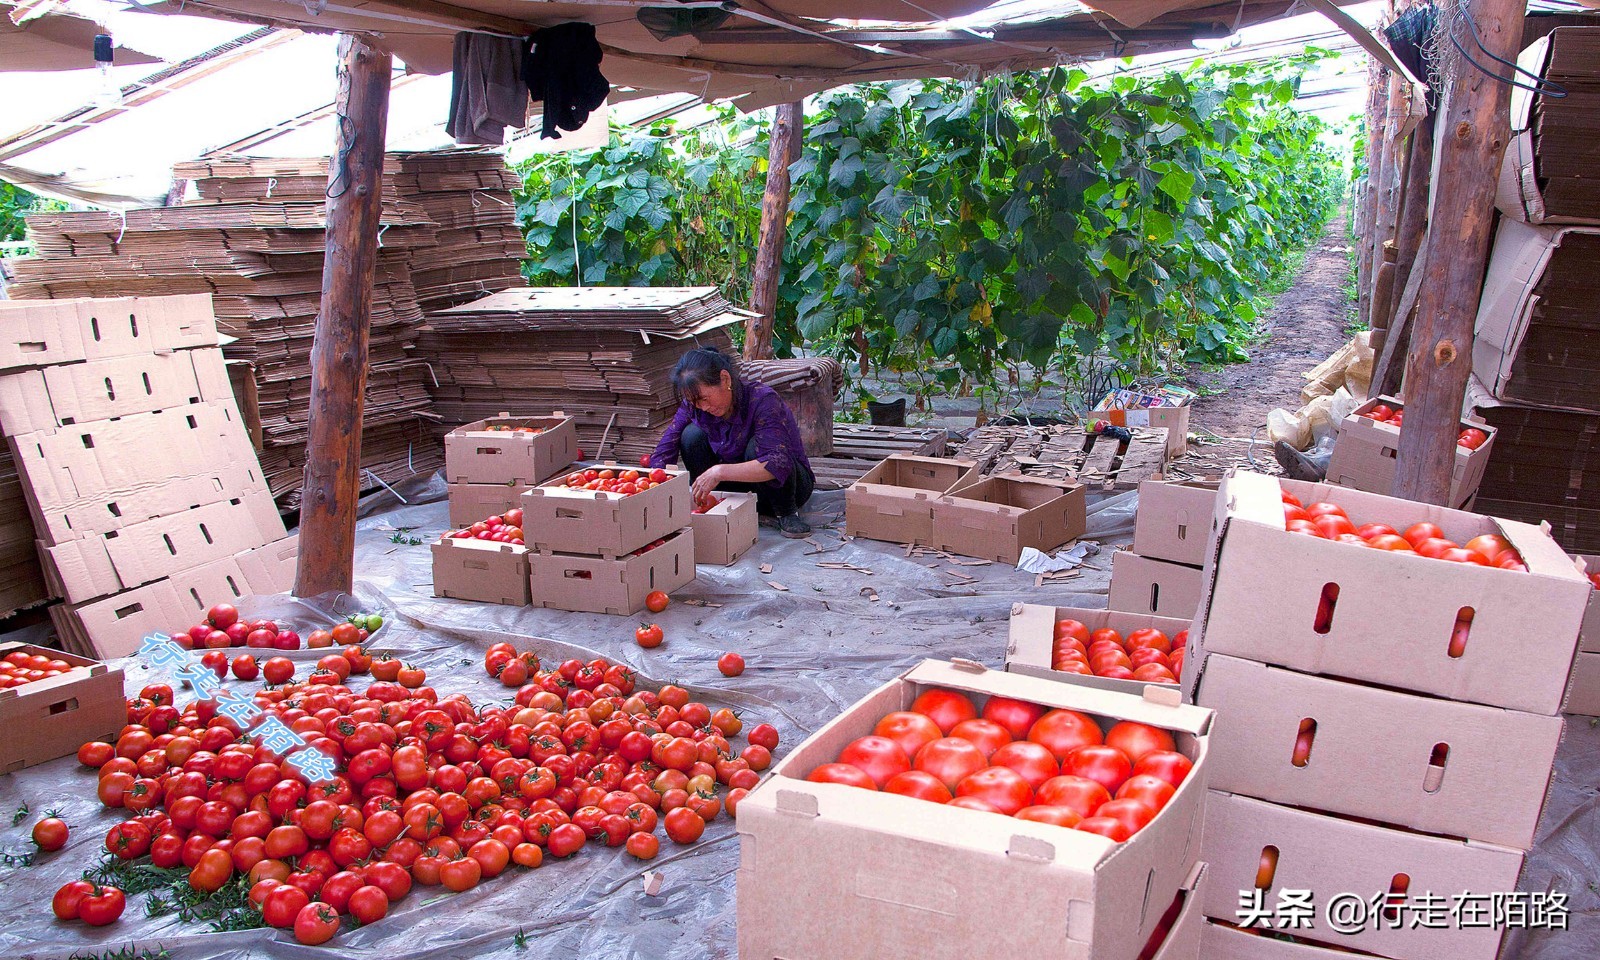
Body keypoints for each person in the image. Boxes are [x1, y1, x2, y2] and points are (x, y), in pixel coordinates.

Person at [649, 347, 815, 538]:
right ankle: (715, 503)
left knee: (757, 449)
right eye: (695, 402)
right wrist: (652, 482)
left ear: (725, 379)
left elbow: (777, 463)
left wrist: (718, 472)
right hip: (736, 489)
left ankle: (787, 513)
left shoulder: (763, 400)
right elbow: (668, 443)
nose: (703, 407)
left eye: (704, 398)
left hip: (788, 488)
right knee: (691, 436)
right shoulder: (695, 406)